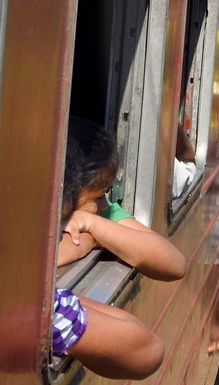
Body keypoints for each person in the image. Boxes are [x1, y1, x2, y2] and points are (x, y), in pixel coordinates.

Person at [57, 117, 185, 281]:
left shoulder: (99, 214)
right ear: (66, 195)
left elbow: (175, 264)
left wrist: (92, 225)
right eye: (97, 197)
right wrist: (92, 238)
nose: (104, 204)